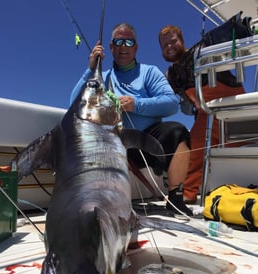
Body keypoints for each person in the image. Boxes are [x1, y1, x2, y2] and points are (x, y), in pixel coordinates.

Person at [70, 23, 193, 216]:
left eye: (129, 41)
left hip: (149, 141)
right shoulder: (102, 77)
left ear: (136, 47)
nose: (123, 46)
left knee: (178, 132)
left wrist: (136, 104)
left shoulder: (149, 72)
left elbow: (171, 103)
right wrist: (90, 69)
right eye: (118, 41)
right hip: (114, 143)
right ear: (111, 47)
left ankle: (175, 200)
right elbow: (74, 103)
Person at [158, 25, 245, 204]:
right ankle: (188, 192)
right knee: (191, 145)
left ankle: (191, 191)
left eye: (173, 41)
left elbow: (230, 34)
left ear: (182, 41)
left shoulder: (201, 51)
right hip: (207, 114)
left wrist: (241, 27)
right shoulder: (171, 75)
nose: (169, 46)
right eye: (164, 44)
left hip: (235, 108)